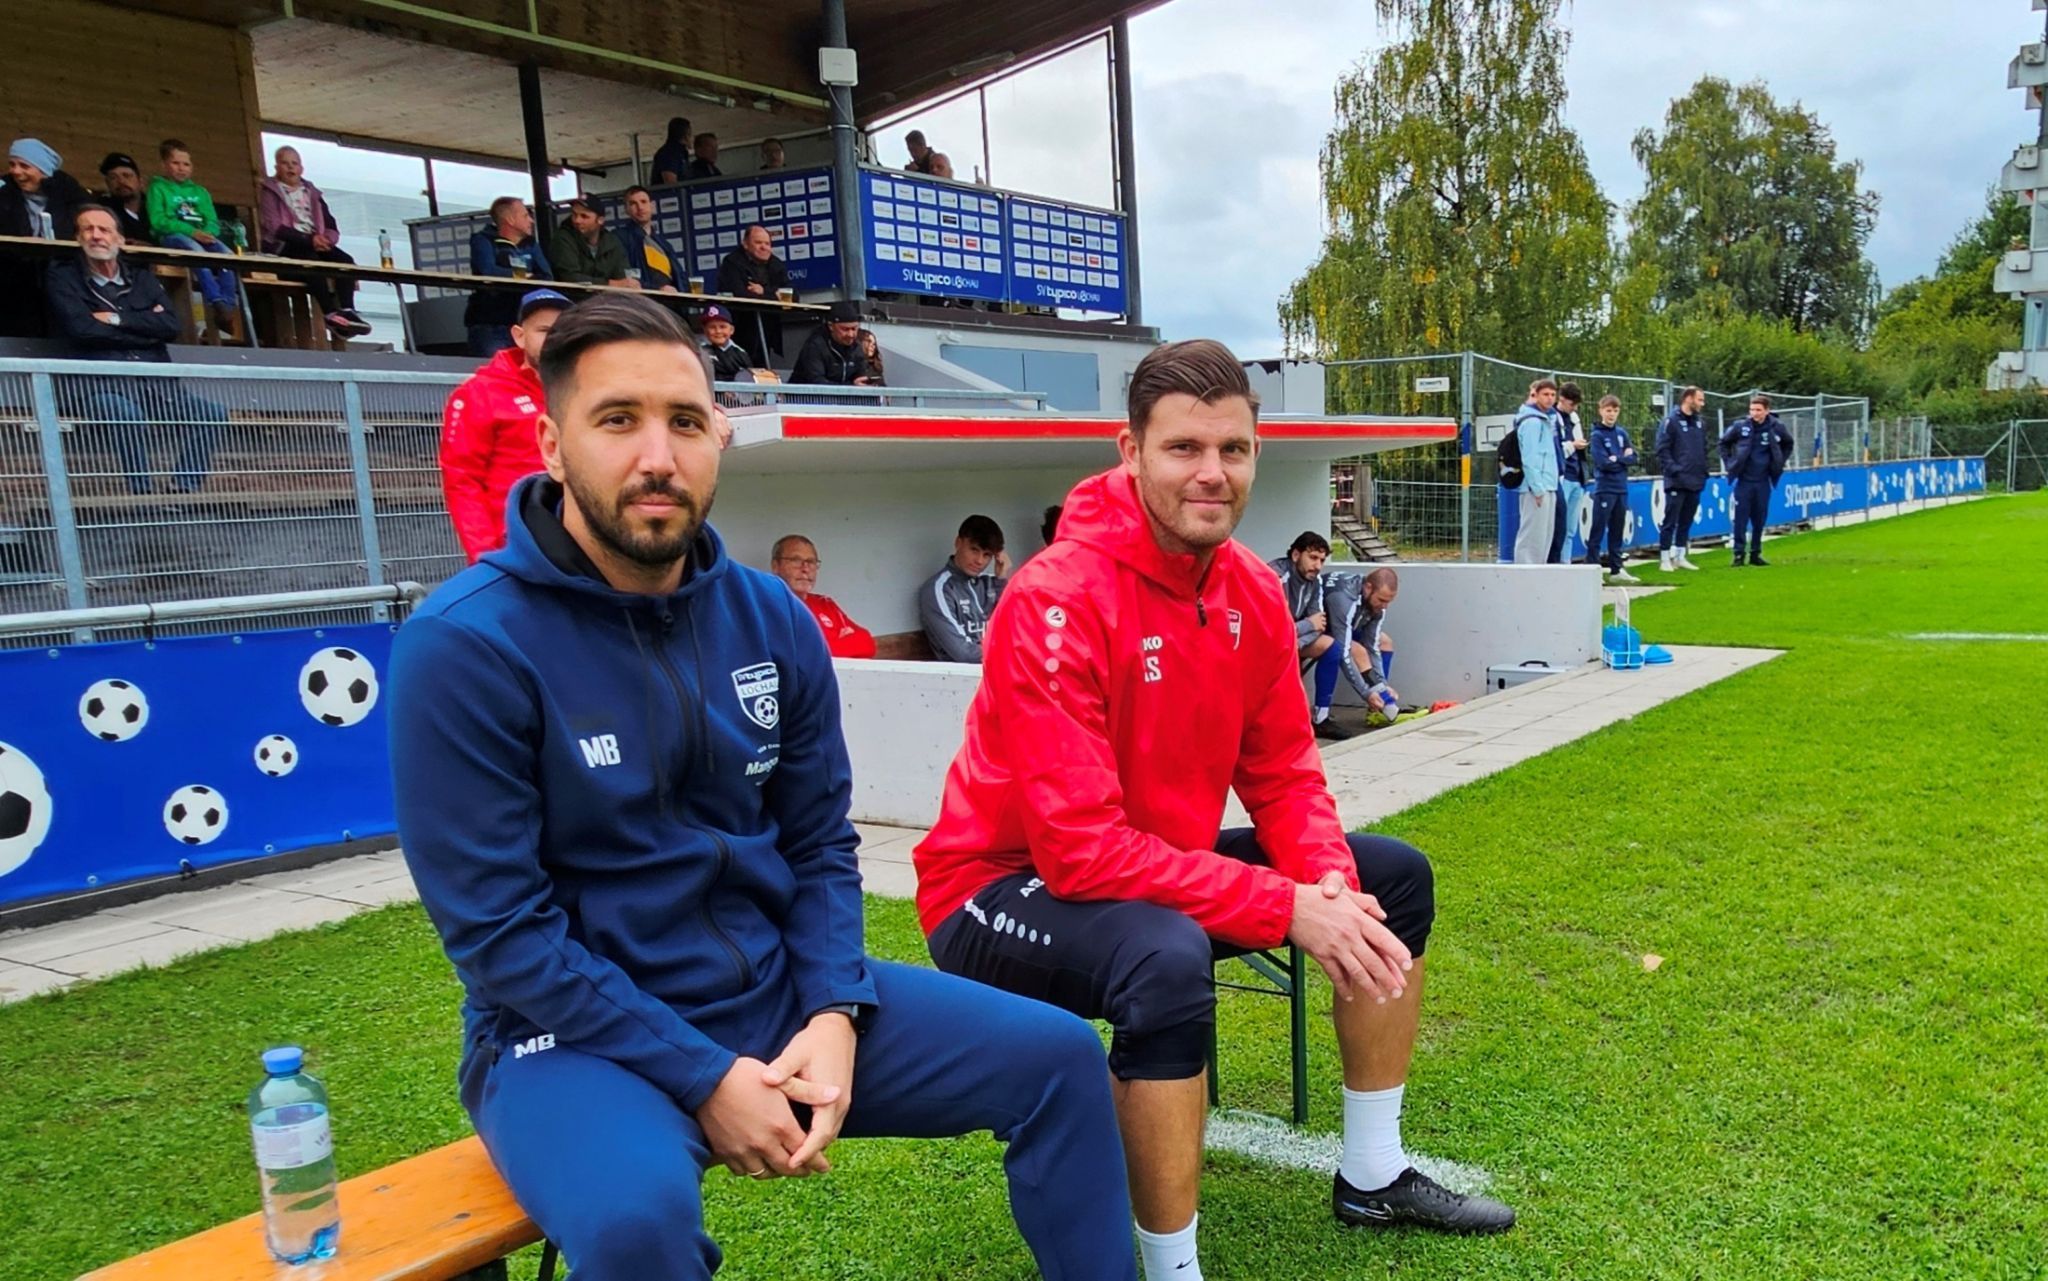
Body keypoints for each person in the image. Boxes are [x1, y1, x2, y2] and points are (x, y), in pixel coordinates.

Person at [389, 293, 1136, 1281]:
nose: (656, 455)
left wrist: (832, 1011)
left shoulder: (770, 617)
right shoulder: (462, 645)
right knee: (633, 1226)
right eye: (617, 420)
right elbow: (500, 935)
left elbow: (819, 844)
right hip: (568, 1039)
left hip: (774, 998)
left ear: (718, 438)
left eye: (685, 422)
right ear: (551, 443)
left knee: (1056, 1061)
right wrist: (701, 1075)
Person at [914, 339, 1515, 1281]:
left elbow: (1282, 773)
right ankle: (1172, 1269)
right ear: (1130, 451)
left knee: (1389, 876)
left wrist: (1325, 883)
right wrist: (1283, 908)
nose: (1212, 472)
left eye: (1233, 450)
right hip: (1000, 884)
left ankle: (1369, 1172)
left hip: (1152, 865)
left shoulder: (1250, 591)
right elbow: (1078, 853)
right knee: (1164, 953)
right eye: (1184, 448)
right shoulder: (1055, 599)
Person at [44, 204, 225, 494]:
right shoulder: (63, 277)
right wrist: (143, 327)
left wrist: (116, 320)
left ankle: (184, 486)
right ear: (78, 238)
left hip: (155, 385)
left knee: (212, 413)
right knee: (126, 414)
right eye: (87, 229)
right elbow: (81, 329)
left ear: (119, 239)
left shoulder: (142, 277)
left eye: (104, 229)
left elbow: (169, 326)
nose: (96, 236)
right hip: (99, 385)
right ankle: (142, 492)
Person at [441, 289, 571, 562]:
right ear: (519, 336)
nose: (553, 339)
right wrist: (487, 558)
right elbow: (462, 480)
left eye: (562, 331)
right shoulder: (480, 392)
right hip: (515, 550)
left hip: (576, 550)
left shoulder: (581, 389)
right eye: (544, 330)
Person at [257, 145, 371, 339]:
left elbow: (331, 224)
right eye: (285, 163)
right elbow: (275, 227)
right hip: (286, 245)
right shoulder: (270, 191)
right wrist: (309, 240)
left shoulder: (312, 193)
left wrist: (327, 240)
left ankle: (347, 311)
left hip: (316, 242)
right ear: (276, 167)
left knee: (345, 261)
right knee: (310, 261)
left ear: (302, 168)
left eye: (295, 163)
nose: (290, 167)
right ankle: (330, 313)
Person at [146, 139, 240, 336]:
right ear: (163, 165)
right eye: (175, 163)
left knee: (228, 255)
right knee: (197, 253)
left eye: (186, 164)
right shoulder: (157, 188)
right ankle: (217, 301)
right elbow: (158, 221)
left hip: (202, 236)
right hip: (173, 236)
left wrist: (208, 233)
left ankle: (229, 307)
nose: (181, 168)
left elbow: (212, 220)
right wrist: (191, 232)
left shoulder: (200, 191)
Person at [1, 138, 89, 338]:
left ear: (44, 171)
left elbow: (89, 220)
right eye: (12, 164)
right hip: (12, 275)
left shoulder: (68, 191)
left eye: (24, 165)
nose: (16, 171)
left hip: (62, 274)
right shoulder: (3, 189)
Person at [1267, 532, 1346, 738]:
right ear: (1295, 555)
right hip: (1261, 642)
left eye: (1322, 560)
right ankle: (1275, 723)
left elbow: (1319, 624)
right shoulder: (1274, 577)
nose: (1318, 566)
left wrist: (1295, 640)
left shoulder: (1315, 581)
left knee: (1331, 646)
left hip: (1289, 640)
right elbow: (1274, 630)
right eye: (1312, 558)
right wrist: (1305, 626)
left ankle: (1321, 717)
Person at [463, 196, 554, 357]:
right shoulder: (483, 240)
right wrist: (524, 276)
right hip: (491, 325)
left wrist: (524, 277)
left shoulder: (530, 244)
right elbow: (488, 271)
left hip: (522, 323)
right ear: (510, 220)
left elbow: (547, 276)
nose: (531, 221)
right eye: (525, 215)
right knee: (495, 375)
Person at [919, 514, 1009, 663]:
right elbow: (964, 653)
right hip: (961, 680)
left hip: (997, 673)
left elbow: (1013, 627)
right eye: (974, 550)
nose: (979, 561)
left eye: (987, 555)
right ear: (958, 543)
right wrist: (1011, 653)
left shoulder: (992, 584)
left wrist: (1001, 579)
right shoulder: (939, 589)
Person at [771, 535, 876, 659]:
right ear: (775, 566)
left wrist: (821, 651)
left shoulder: (825, 603)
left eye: (811, 562)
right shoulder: (769, 606)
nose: (805, 568)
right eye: (796, 560)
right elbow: (799, 657)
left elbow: (867, 643)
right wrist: (842, 642)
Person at [1720, 394, 1794, 567]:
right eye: (1752, 409)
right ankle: (1738, 554)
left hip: (1763, 480)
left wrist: (1779, 461)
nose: (1755, 413)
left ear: (1767, 411)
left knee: (1759, 519)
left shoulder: (1776, 427)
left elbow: (1788, 443)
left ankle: (1756, 553)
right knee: (1740, 519)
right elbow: (1723, 443)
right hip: (1744, 480)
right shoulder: (1741, 426)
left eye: (1758, 410)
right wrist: (1730, 462)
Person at [716, 225, 793, 366]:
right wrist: (774, 295)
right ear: (745, 244)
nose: (764, 247)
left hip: (768, 326)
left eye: (767, 244)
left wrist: (764, 291)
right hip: (740, 326)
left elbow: (792, 295)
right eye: (758, 243)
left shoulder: (776, 264)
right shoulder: (732, 262)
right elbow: (741, 294)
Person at [1587, 395, 1641, 585]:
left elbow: (1634, 457)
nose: (1612, 414)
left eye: (1615, 411)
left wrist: (1616, 459)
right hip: (1605, 488)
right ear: (1601, 411)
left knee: (1617, 529)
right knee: (1598, 529)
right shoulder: (1597, 435)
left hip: (1621, 488)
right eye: (1608, 410)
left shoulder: (1621, 433)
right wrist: (1621, 459)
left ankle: (1616, 569)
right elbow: (1602, 463)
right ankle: (1592, 569)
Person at [1654, 386, 1708, 572]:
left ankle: (1680, 556)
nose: (1702, 404)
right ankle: (1664, 558)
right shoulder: (1671, 421)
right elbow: (1662, 449)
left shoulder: (1699, 422)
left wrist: (1703, 471)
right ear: (1688, 398)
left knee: (1686, 520)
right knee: (1670, 519)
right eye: (1699, 400)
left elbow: (1703, 448)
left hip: (1695, 479)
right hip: (1677, 480)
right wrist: (1674, 470)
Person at [1511, 379, 1560, 564]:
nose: (1549, 399)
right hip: (1535, 487)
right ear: (1536, 395)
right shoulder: (1532, 422)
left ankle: (1537, 572)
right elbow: (1530, 459)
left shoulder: (1546, 420)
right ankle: (1524, 573)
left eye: (1552, 395)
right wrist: (1537, 488)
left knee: (1544, 535)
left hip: (1548, 484)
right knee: (1532, 534)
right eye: (1545, 394)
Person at [549, 197, 631, 288]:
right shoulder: (563, 238)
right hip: (574, 298)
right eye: (574, 214)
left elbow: (622, 277)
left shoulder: (612, 241)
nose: (577, 220)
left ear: (600, 220)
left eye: (584, 216)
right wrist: (609, 284)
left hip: (609, 299)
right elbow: (570, 278)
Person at [614, 186, 682, 292]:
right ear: (626, 210)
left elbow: (679, 278)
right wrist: (658, 289)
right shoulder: (619, 238)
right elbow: (624, 278)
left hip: (670, 303)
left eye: (643, 202)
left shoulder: (665, 244)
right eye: (633, 203)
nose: (640, 207)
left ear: (652, 206)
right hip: (641, 303)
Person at [1552, 382, 1589, 564]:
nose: (1573, 408)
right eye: (1571, 404)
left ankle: (1565, 563)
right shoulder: (1551, 417)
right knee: (1558, 525)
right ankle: (1554, 563)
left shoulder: (1574, 419)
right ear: (1562, 399)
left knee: (1570, 528)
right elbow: (1555, 448)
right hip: (1563, 477)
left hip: (1577, 476)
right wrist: (1573, 445)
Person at [792, 302, 870, 386]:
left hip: (843, 397)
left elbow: (860, 377)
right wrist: (851, 387)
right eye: (845, 329)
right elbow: (816, 382)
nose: (850, 335)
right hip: (805, 397)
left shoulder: (856, 348)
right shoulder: (815, 346)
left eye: (854, 329)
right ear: (831, 326)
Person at [97, 152, 153, 247]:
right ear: (107, 184)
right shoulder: (101, 210)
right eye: (113, 177)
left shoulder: (157, 208)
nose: (121, 181)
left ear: (141, 182)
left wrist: (151, 248)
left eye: (126, 175)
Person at [699, 303, 753, 381]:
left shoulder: (741, 354)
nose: (718, 331)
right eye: (712, 327)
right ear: (705, 330)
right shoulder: (699, 351)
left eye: (722, 327)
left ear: (731, 330)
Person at [652, 117, 692, 185]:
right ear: (686, 135)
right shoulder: (670, 152)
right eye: (690, 134)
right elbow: (670, 182)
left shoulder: (680, 152)